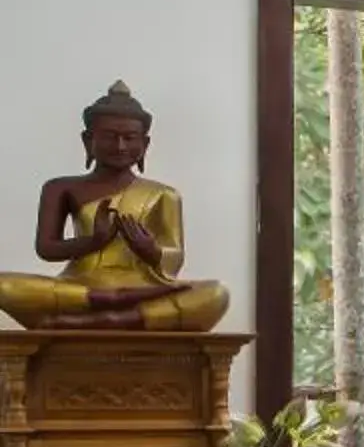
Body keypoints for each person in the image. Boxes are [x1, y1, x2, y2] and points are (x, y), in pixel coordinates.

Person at [0, 83, 231, 330]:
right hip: (81, 288)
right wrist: (93, 242)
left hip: (143, 288)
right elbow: (46, 248)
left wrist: (151, 251)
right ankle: (111, 304)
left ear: (145, 144)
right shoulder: (60, 188)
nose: (120, 146)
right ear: (88, 140)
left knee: (216, 293)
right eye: (110, 137)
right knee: (4, 286)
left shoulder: (164, 194)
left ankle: (110, 319)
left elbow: (175, 255)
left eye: (130, 138)